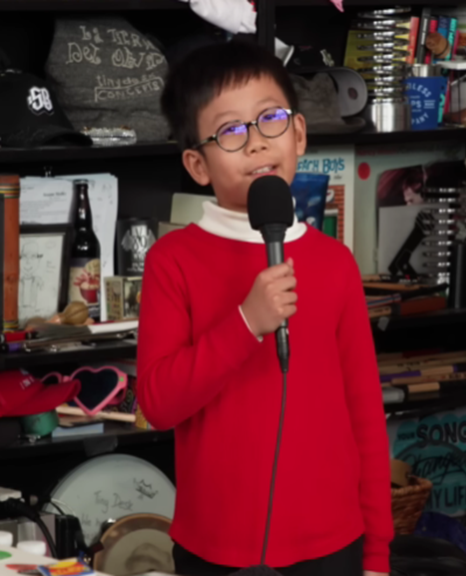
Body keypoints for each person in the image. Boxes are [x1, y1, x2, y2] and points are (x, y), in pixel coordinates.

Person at [137, 41, 392, 576]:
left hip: (333, 544)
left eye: (269, 119)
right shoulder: (172, 261)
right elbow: (158, 402)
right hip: (216, 547)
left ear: (298, 133)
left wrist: (376, 551)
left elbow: (365, 415)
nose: (255, 143)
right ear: (197, 164)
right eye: (230, 131)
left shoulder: (334, 263)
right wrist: (246, 323)